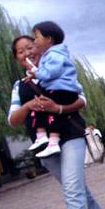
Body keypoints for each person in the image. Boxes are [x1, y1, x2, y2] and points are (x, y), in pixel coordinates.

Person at [8, 35, 105, 209]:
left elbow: (81, 99)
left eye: (30, 47)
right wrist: (27, 106)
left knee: (72, 191)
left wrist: (58, 108)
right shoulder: (19, 86)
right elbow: (13, 120)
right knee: (74, 187)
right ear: (16, 57)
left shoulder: (58, 71)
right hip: (43, 144)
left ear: (40, 47)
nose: (27, 53)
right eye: (21, 51)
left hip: (70, 136)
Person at [25, 21, 82, 159]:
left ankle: (52, 142)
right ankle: (42, 136)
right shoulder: (51, 54)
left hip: (62, 90)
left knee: (51, 113)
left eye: (37, 37)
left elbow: (50, 73)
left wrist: (34, 70)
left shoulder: (55, 54)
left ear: (49, 39)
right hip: (59, 88)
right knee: (39, 107)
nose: (35, 40)